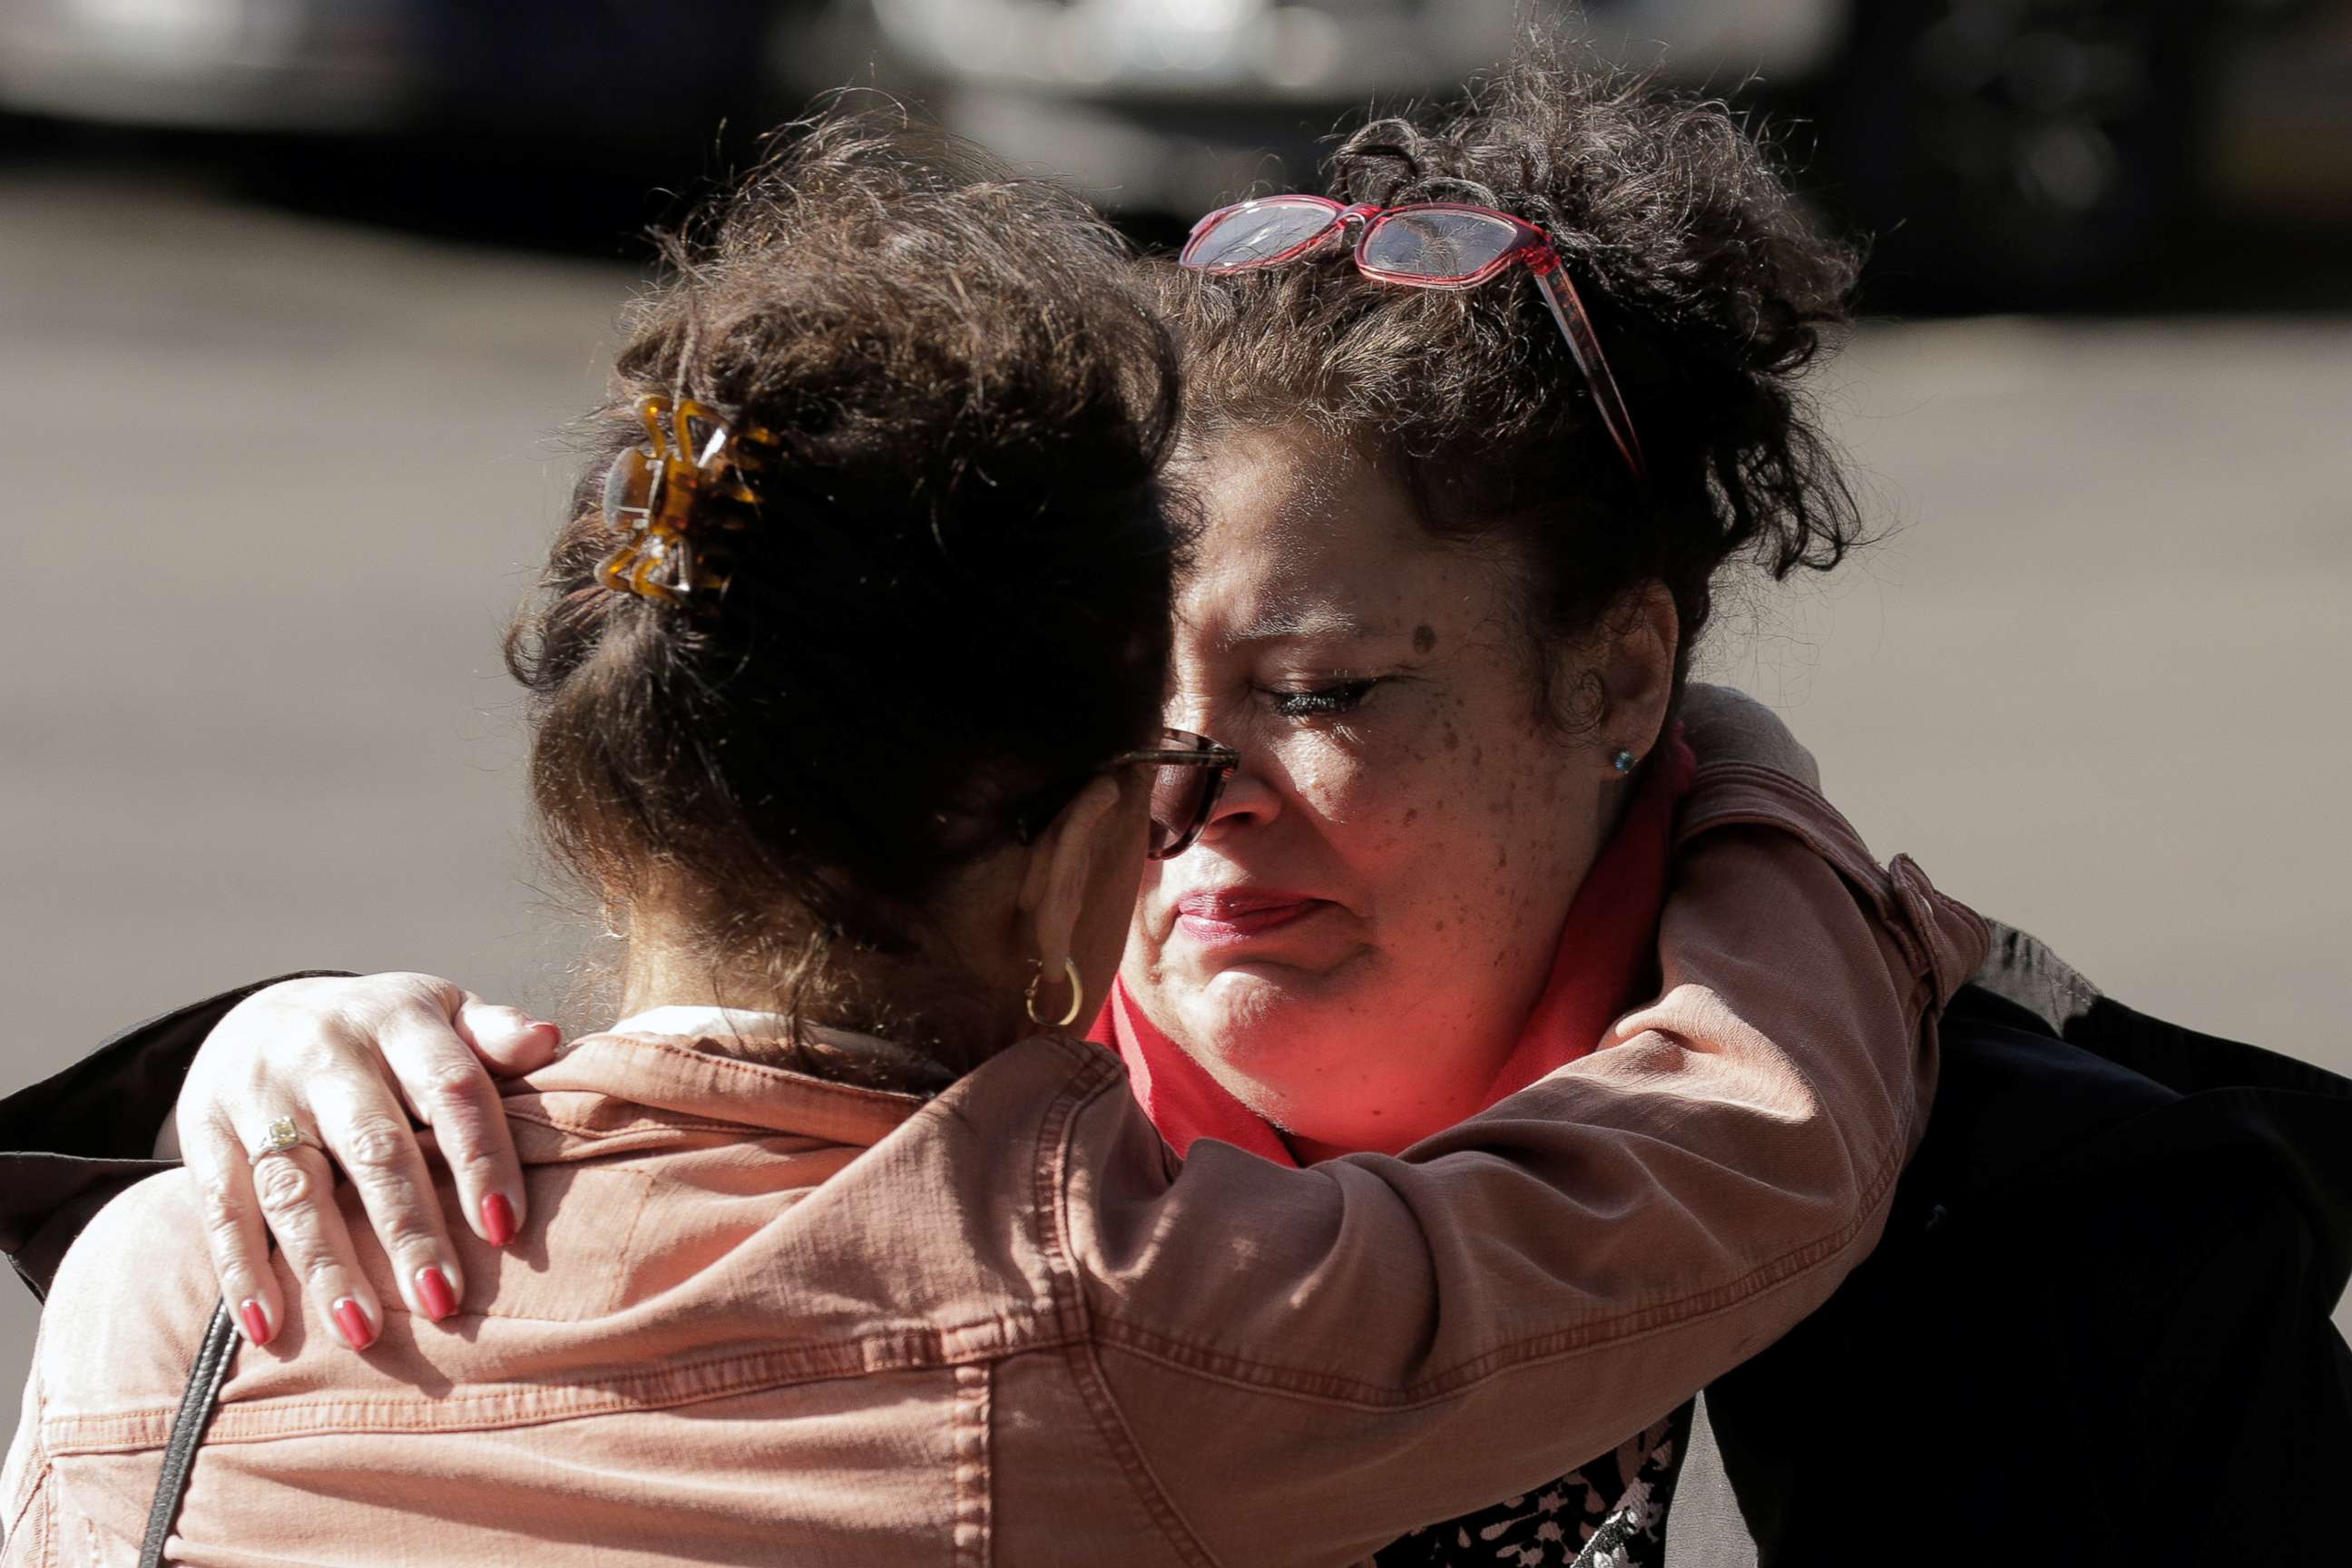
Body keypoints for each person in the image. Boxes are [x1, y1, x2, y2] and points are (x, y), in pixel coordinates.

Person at [0, 108, 1981, 1566]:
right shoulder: (1143, 1317)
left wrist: (251, 1051)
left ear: (618, 798)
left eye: (1318, 690)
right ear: (1066, 865)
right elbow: (1751, 1148)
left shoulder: (168, 1285)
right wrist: (1762, 800)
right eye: (1153, 742)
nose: (1204, 806)